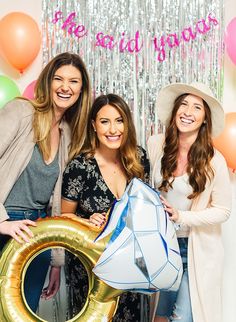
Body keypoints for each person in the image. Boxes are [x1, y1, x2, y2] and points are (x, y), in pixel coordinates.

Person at [0, 52, 91, 313]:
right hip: (7, 226)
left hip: (38, 234)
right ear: (48, 82)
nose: (65, 87)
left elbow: (57, 205)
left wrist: (55, 261)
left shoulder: (68, 135)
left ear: (81, 90)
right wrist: (2, 222)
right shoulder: (20, 112)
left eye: (74, 81)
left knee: (25, 314)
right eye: (59, 79)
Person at [61, 93, 150, 321]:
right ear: (93, 126)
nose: (113, 129)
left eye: (119, 120)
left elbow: (143, 212)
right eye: (104, 121)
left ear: (127, 124)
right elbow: (64, 220)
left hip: (130, 267)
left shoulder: (139, 159)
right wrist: (87, 222)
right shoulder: (80, 166)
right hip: (92, 270)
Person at [147, 82, 232, 322]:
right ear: (175, 111)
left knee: (182, 317)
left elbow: (223, 211)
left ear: (204, 119)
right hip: (164, 247)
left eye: (196, 108)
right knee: (160, 316)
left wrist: (183, 217)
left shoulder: (214, 160)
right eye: (183, 104)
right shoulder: (156, 145)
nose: (187, 112)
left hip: (197, 250)